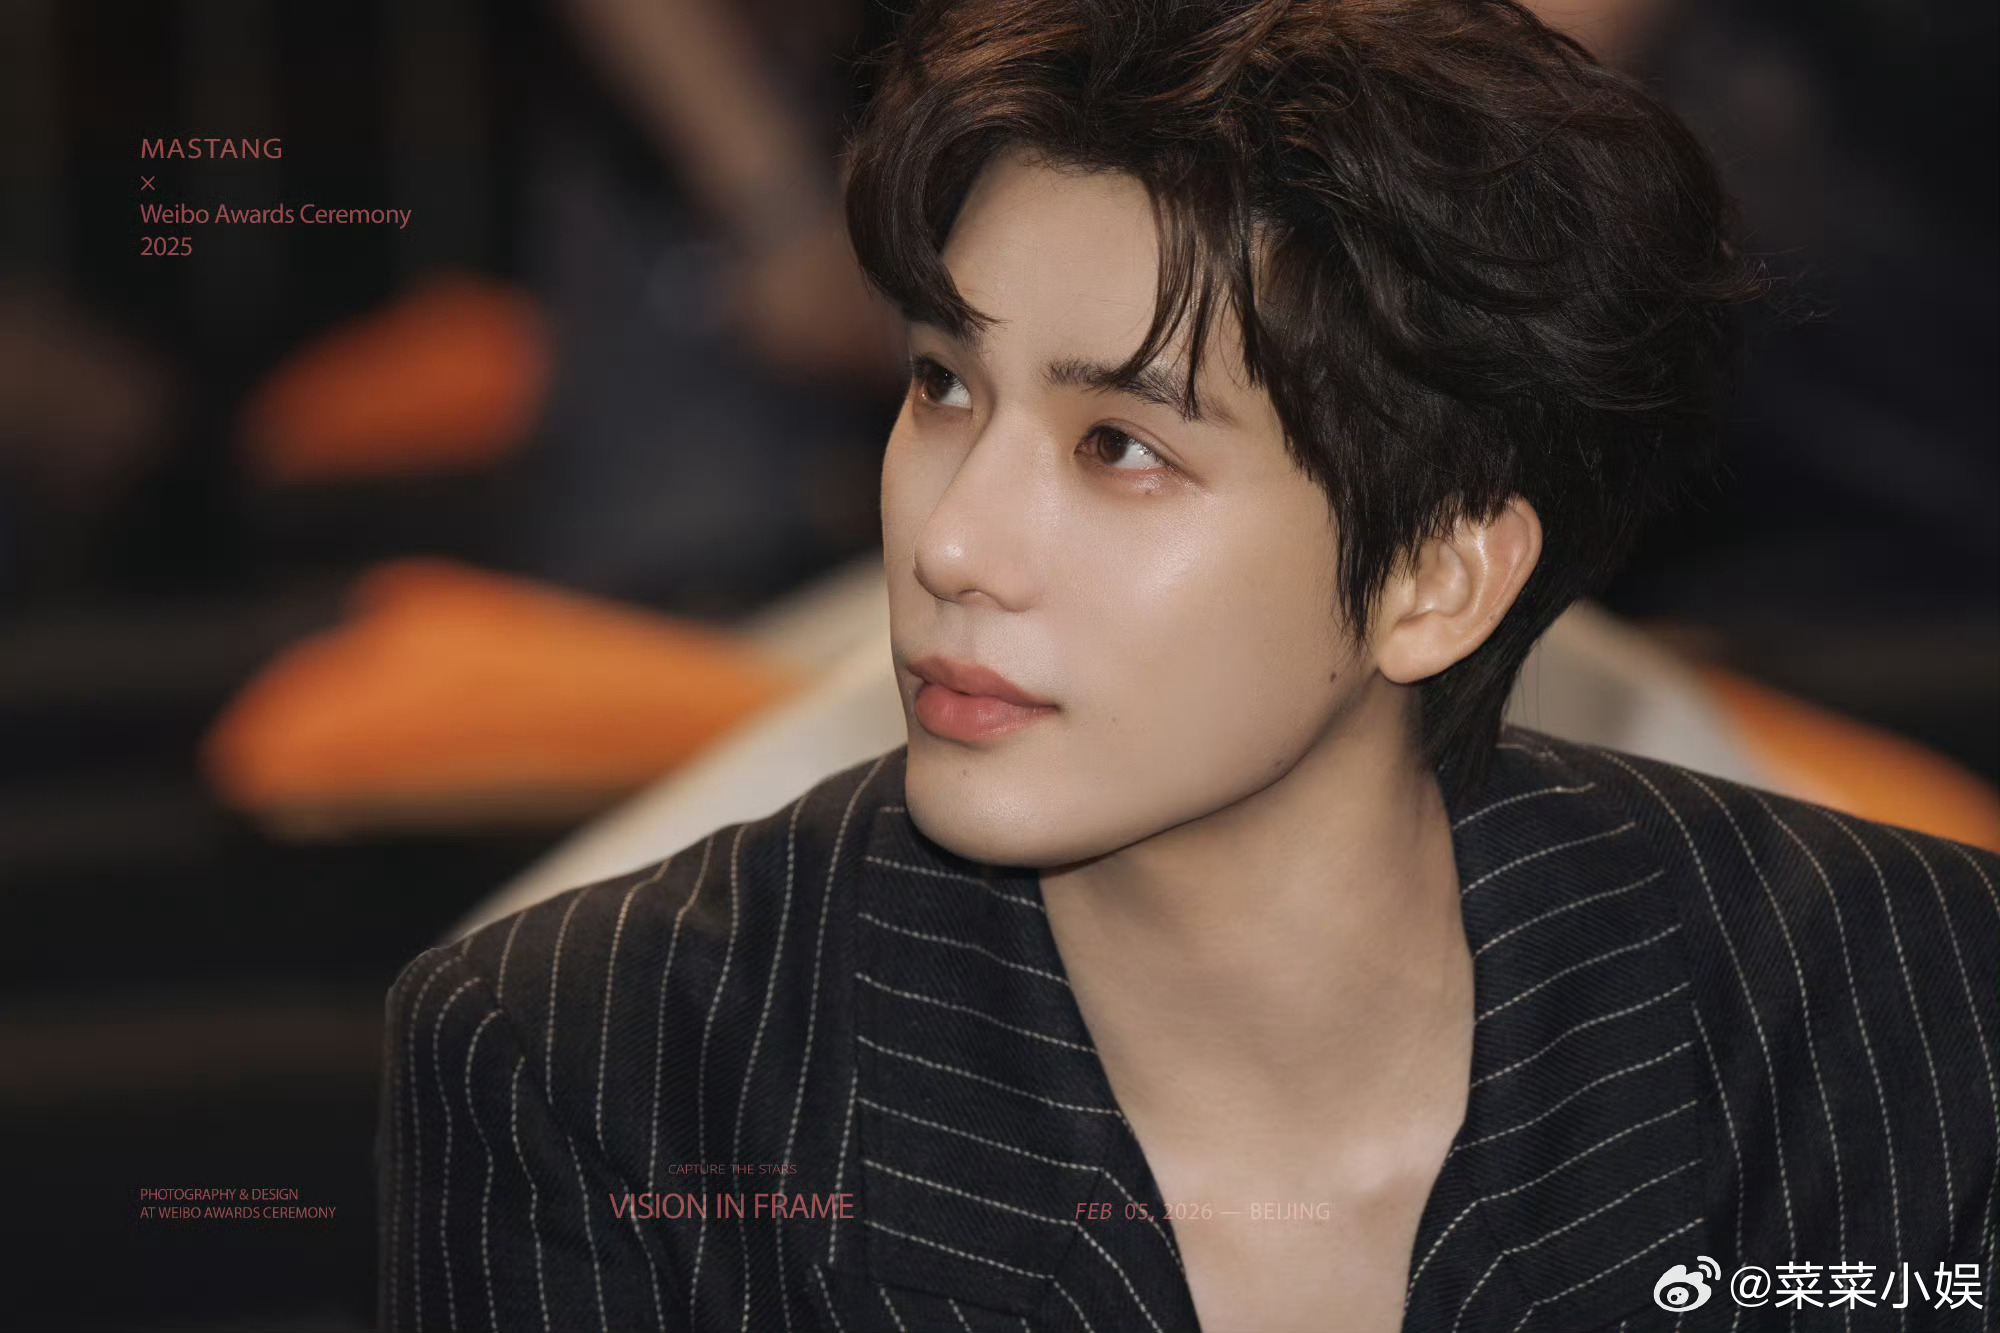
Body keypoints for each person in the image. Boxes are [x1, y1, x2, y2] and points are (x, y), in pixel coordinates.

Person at [376, 1, 1998, 1329]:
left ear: (1439, 575)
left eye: (1121, 447)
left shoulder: (1894, 1003)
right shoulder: (603, 1075)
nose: (954, 542)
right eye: (941, 387)